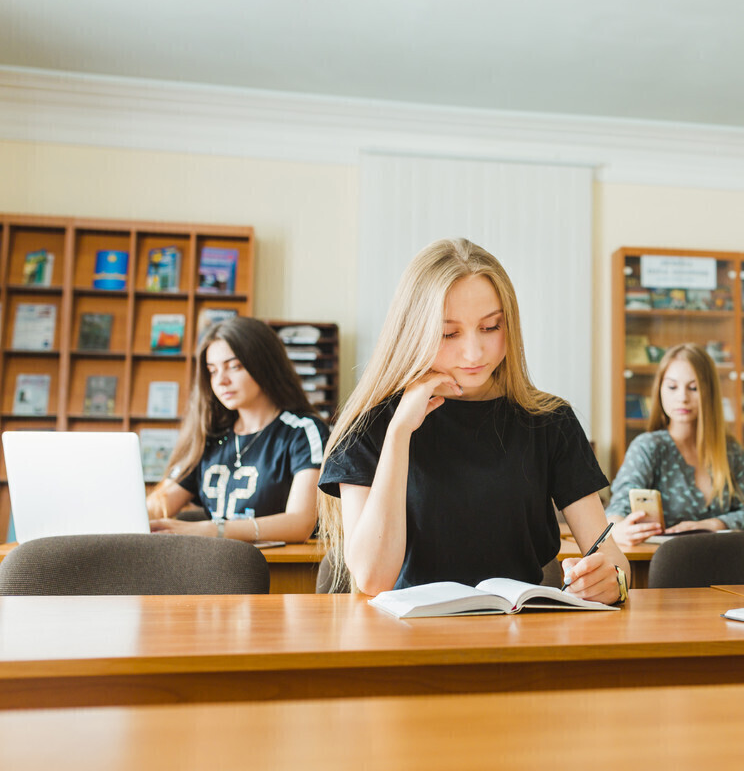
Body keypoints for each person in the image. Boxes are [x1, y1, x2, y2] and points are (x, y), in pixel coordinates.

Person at [317, 238, 629, 601]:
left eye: (491, 327)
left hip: (521, 626)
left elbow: (613, 560)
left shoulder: (550, 420)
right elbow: (373, 579)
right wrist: (399, 431)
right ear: (413, 332)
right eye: (449, 333)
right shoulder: (370, 424)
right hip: (408, 630)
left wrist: (611, 580)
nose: (473, 352)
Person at [147, 316, 330, 543]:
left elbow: (300, 523)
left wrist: (213, 530)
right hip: (215, 560)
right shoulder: (209, 436)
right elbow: (159, 506)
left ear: (264, 364)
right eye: (212, 371)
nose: (221, 381)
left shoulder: (304, 431)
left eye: (234, 367)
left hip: (279, 564)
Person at [607, 343, 744, 545]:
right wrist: (618, 529)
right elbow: (616, 510)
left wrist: (710, 525)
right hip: (664, 560)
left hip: (724, 559)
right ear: (660, 390)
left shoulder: (731, 451)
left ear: (709, 393)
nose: (682, 398)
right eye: (672, 387)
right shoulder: (648, 447)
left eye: (694, 388)